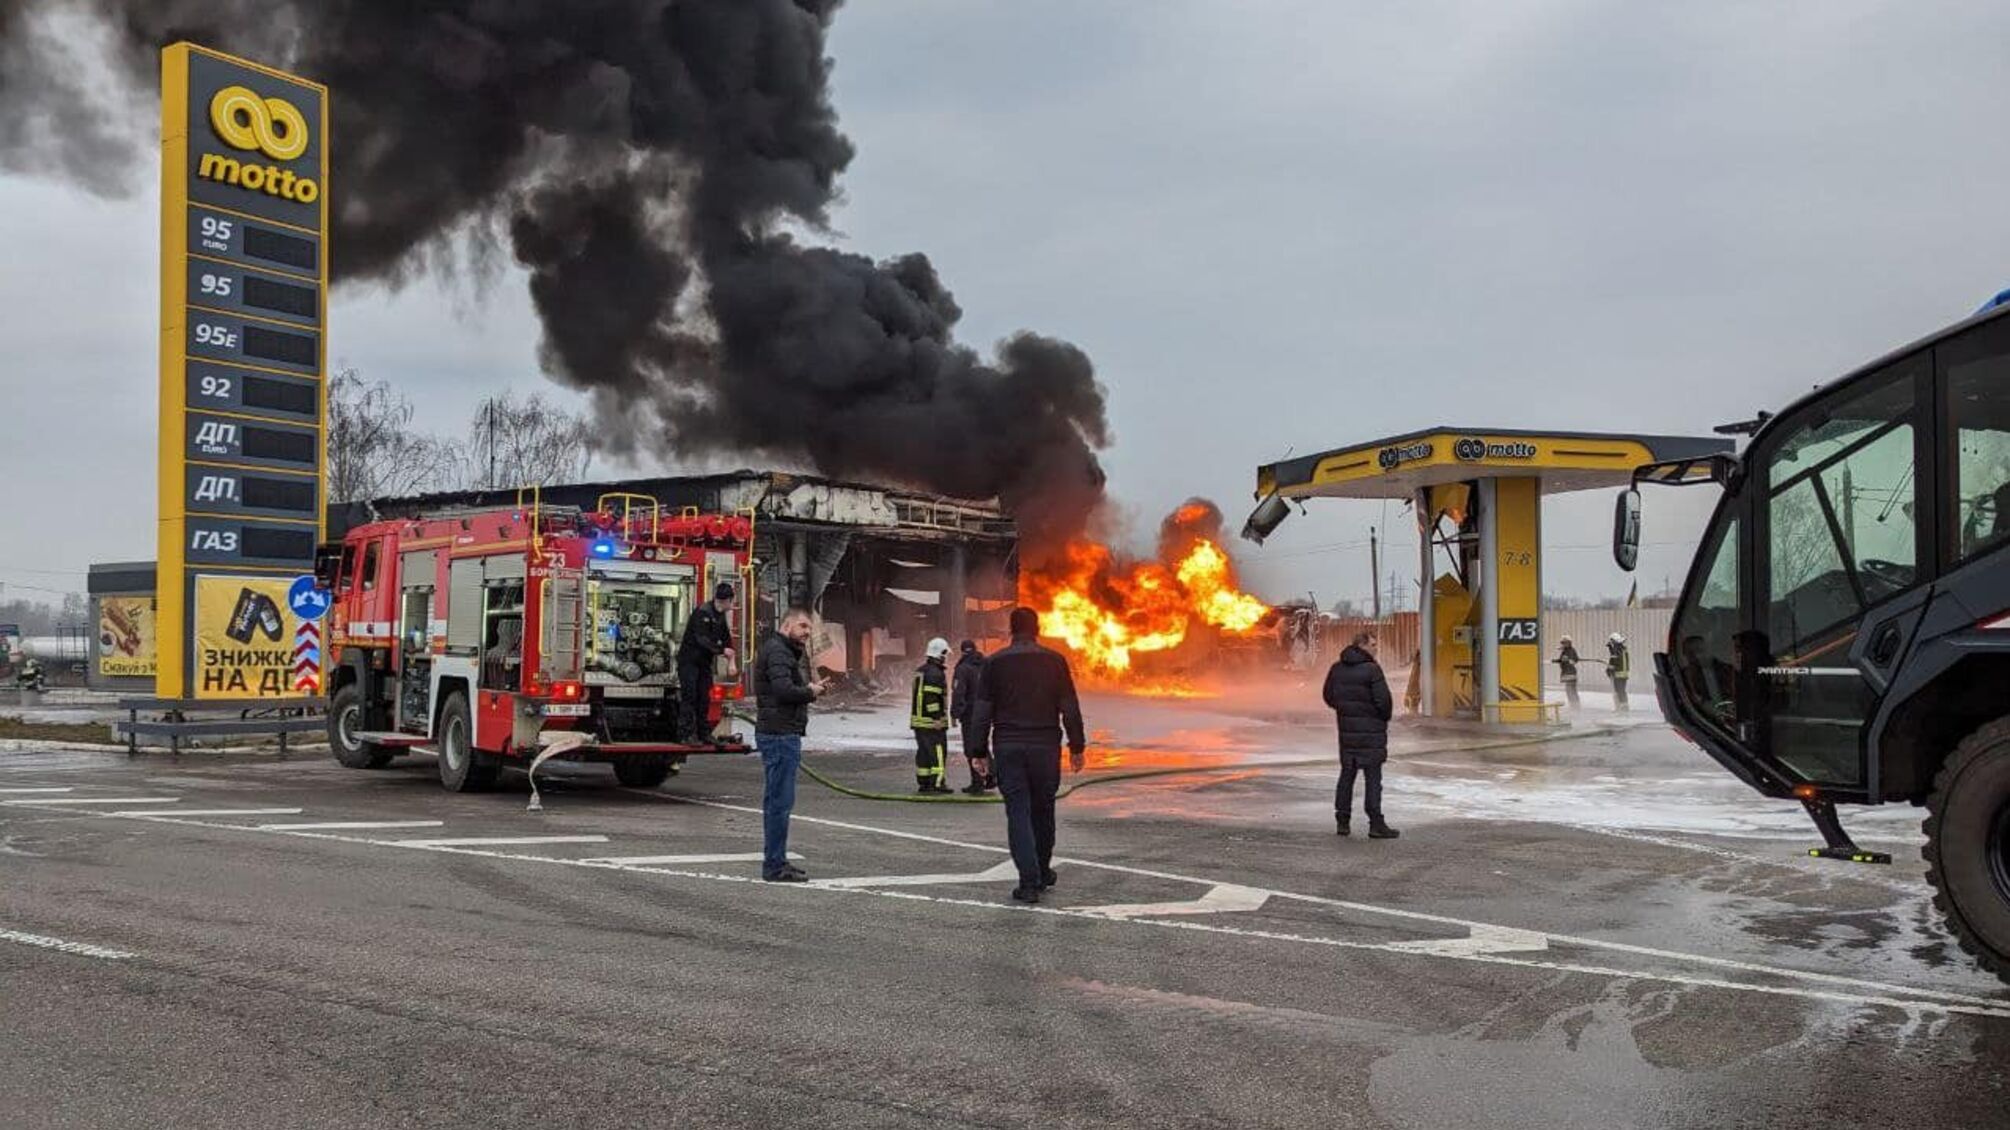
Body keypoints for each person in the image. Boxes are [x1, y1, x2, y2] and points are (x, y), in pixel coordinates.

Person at [968, 607, 1086, 905]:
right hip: (1045, 746)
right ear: (1038, 628)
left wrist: (978, 752)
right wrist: (1077, 746)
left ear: (1011, 629)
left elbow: (982, 712)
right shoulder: (1055, 661)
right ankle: (1043, 871)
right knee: (1043, 809)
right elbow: (1069, 706)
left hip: (1008, 746)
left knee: (1018, 811)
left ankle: (1029, 881)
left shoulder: (994, 663)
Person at [754, 607, 826, 882]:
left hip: (781, 732)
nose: (807, 633)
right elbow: (783, 691)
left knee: (779, 802)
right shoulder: (779, 652)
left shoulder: (782, 651)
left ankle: (777, 860)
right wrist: (810, 691)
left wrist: (809, 690)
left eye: (809, 628)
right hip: (780, 734)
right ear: (786, 625)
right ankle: (774, 865)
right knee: (779, 803)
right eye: (803, 626)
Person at [1322, 630, 1398, 839]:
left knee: (1347, 775)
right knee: (1373, 778)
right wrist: (1381, 717)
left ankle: (1343, 821)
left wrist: (1346, 710)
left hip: (1347, 733)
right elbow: (1384, 702)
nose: (1376, 648)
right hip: (1371, 732)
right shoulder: (1372, 670)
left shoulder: (1336, 669)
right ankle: (1376, 823)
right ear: (1362, 646)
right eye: (1373, 644)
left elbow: (1328, 696)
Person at [677, 582, 737, 743]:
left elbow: (725, 638)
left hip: (703, 663)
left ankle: (704, 733)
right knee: (690, 697)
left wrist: (731, 656)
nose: (733, 605)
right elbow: (701, 639)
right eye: (732, 601)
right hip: (689, 661)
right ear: (726, 601)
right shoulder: (703, 612)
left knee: (704, 697)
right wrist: (721, 650)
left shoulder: (719, 616)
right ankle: (686, 734)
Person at [911, 637, 953, 794]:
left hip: (919, 722)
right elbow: (931, 698)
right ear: (939, 654)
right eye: (944, 654)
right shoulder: (935, 673)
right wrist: (936, 718)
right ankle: (937, 783)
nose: (945, 657)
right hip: (931, 723)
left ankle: (924, 782)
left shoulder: (921, 671)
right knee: (938, 753)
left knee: (923, 753)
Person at [950, 639, 993, 794]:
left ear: (962, 651)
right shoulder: (987, 665)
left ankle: (977, 782)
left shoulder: (962, 669)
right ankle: (990, 776)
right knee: (982, 743)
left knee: (971, 748)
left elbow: (958, 693)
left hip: (970, 714)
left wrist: (954, 713)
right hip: (986, 712)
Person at [1607, 632, 1632, 712]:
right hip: (1624, 674)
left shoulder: (1616, 651)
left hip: (1618, 674)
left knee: (1618, 691)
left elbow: (1613, 662)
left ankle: (1621, 708)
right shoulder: (1623, 650)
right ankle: (1624, 706)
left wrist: (1609, 670)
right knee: (1622, 691)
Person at [1554, 635, 1581, 710]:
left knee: (1571, 692)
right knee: (1570, 692)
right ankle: (1574, 707)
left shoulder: (1570, 651)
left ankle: (1575, 707)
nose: (1563, 644)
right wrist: (1557, 661)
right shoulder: (1566, 651)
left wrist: (1568, 660)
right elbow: (1564, 660)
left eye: (1565, 643)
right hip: (1568, 674)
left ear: (1569, 643)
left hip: (1570, 674)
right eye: (1562, 643)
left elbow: (1574, 659)